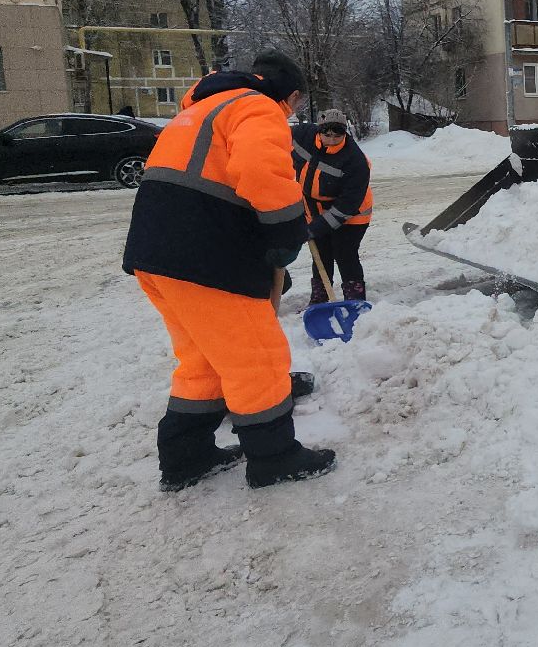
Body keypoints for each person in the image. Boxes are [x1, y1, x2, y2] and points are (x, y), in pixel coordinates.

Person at [122, 49, 336, 491]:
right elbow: (261, 171)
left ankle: (188, 457)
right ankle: (274, 458)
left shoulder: (201, 109)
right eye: (296, 104)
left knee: (204, 361)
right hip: (205, 256)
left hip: (156, 254)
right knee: (257, 359)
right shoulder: (257, 105)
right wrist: (283, 237)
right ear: (291, 95)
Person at [291, 108, 372, 303]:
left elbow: (347, 205)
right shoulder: (302, 135)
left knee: (344, 252)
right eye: (327, 133)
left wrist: (315, 228)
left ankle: (354, 299)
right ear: (319, 131)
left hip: (352, 213)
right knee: (321, 252)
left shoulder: (355, 161)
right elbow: (274, 135)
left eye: (338, 133)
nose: (332, 138)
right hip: (314, 207)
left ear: (345, 132)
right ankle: (320, 298)